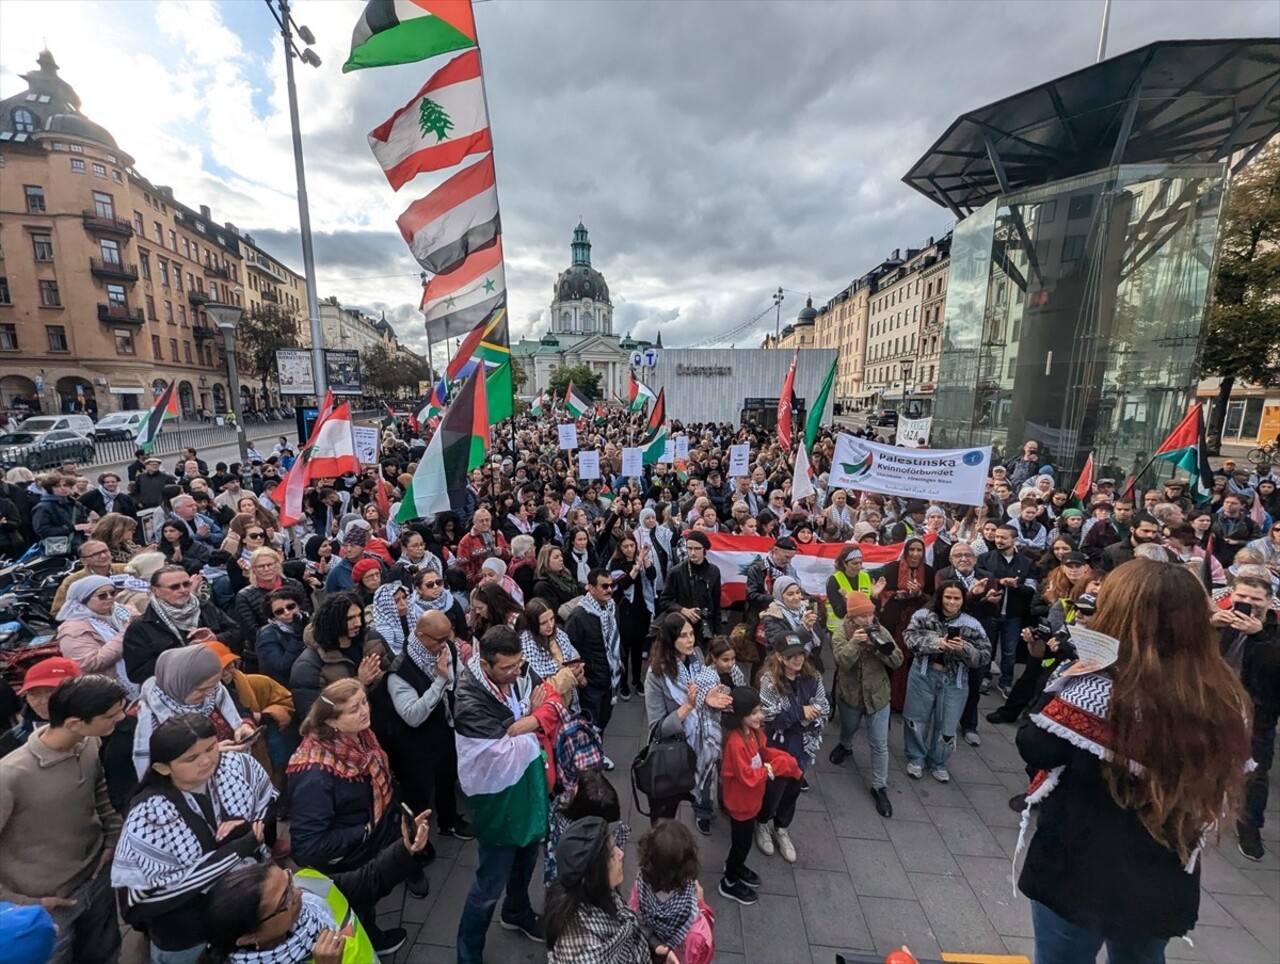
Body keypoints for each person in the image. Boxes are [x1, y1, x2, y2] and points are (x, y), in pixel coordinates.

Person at [1016, 559, 1253, 963]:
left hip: (1078, 868)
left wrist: (1071, 673)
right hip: (1163, 870)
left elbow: (1036, 746)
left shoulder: (1095, 687)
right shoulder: (1223, 695)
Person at [113, 713, 276, 964]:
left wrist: (247, 829)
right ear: (162, 767)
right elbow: (143, 900)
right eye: (191, 758)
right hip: (189, 936)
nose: (207, 760)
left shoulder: (240, 767)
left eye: (211, 747)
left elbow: (268, 808)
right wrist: (234, 851)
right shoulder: (149, 814)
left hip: (246, 914)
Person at [285, 679, 429, 955]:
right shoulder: (314, 774)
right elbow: (307, 847)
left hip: (371, 837)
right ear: (333, 722)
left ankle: (370, 932)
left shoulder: (359, 736)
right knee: (356, 904)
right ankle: (368, 942)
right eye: (354, 708)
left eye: (364, 701)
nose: (365, 711)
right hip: (348, 856)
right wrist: (363, 831)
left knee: (368, 900)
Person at [0, 676, 128, 964]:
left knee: (105, 953)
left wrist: (111, 839)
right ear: (74, 723)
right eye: (110, 716)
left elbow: (101, 794)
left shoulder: (89, 743)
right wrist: (23, 903)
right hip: (44, 905)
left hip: (96, 880)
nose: (120, 719)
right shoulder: (10, 775)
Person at [454, 626, 552, 963]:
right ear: (485, 665)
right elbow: (502, 747)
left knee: (526, 858)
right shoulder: (469, 700)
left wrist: (527, 717)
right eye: (507, 668)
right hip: (496, 800)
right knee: (487, 886)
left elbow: (522, 717)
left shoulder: (509, 673)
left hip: (521, 790)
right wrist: (534, 718)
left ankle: (516, 910)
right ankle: (467, 954)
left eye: (518, 664)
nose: (516, 672)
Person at [198, 823, 433, 964]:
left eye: (288, 878)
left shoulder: (308, 885)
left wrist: (405, 848)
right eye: (285, 900)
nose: (298, 892)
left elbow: (366, 880)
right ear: (249, 937)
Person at [369, 610, 474, 841]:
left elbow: (460, 681)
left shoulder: (449, 649)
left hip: (445, 731)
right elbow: (412, 715)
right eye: (439, 639)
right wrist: (439, 680)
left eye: (449, 637)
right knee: (417, 793)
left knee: (447, 778)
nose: (445, 644)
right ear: (421, 636)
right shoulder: (400, 672)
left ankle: (448, 822)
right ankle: (415, 839)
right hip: (414, 744)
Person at [1209, 575, 1280, 861]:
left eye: (1255, 599)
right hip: (1214, 705)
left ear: (1269, 602)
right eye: (1242, 597)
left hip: (1257, 712)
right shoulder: (1221, 621)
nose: (1247, 603)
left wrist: (1258, 635)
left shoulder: (1273, 629)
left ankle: (1250, 828)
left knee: (1255, 772)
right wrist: (1209, 626)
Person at [545, 816, 678, 964]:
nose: (621, 854)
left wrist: (653, 945)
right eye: (611, 855)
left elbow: (625, 921)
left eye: (616, 845)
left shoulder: (595, 893)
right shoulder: (585, 954)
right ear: (593, 873)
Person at [643, 612, 732, 825]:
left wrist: (708, 699)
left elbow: (705, 689)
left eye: (691, 633)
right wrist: (689, 706)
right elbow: (658, 728)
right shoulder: (656, 675)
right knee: (665, 815)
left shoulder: (697, 657)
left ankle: (702, 811)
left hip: (700, 741)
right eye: (683, 636)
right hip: (673, 752)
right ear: (670, 640)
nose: (690, 640)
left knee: (704, 776)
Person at [718, 686, 801, 907]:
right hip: (741, 803)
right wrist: (773, 768)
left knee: (742, 843)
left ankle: (734, 867)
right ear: (740, 715)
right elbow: (747, 777)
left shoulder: (752, 733)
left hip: (751, 800)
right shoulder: (735, 742)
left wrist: (776, 761)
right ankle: (729, 881)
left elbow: (760, 754)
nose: (760, 716)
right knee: (741, 843)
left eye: (759, 711)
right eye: (754, 713)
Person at [901, 582, 991, 783]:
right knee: (916, 719)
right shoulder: (922, 615)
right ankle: (916, 758)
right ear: (940, 597)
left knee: (948, 725)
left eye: (957, 598)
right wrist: (936, 643)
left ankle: (939, 762)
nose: (952, 602)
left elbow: (985, 656)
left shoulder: (973, 624)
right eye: (948, 597)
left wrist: (964, 648)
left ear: (963, 600)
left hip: (955, 680)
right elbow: (908, 638)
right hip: (923, 674)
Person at [828, 590, 902, 817]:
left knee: (879, 744)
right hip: (850, 696)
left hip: (878, 697)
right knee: (849, 727)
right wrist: (855, 643)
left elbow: (897, 660)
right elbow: (842, 662)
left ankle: (879, 787)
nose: (869, 620)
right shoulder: (841, 634)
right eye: (863, 616)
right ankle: (845, 746)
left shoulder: (882, 631)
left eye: (870, 615)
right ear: (851, 618)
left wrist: (877, 648)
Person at [133, 645, 257, 776]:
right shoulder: (145, 718)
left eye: (213, 686)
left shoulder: (216, 691)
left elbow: (241, 711)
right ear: (180, 684)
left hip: (233, 775)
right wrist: (209, 753)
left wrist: (244, 726)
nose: (209, 694)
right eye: (201, 690)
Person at [757, 645, 829, 859]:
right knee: (773, 788)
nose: (798, 659)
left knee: (793, 789)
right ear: (779, 656)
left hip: (803, 745)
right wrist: (801, 712)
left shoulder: (813, 677)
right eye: (791, 655)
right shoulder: (769, 681)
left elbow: (822, 707)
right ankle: (762, 824)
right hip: (778, 747)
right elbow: (769, 717)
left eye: (800, 654)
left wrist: (793, 717)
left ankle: (781, 827)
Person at [123, 565, 243, 683]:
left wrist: (216, 638)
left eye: (186, 584)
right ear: (155, 591)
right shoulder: (141, 627)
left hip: (220, 679)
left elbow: (237, 632)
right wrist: (183, 653)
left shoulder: (205, 607)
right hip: (178, 690)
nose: (183, 590)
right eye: (175, 587)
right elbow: (137, 674)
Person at [288, 593, 387, 721]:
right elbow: (314, 717)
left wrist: (382, 676)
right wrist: (359, 682)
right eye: (349, 618)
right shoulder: (308, 665)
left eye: (359, 616)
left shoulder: (372, 639)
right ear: (331, 621)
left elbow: (396, 671)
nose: (357, 623)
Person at [628, 820, 716, 964]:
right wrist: (701, 905)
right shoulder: (691, 916)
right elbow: (703, 951)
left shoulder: (641, 885)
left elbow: (632, 913)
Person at [565, 568, 623, 741]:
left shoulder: (611, 607)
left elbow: (617, 636)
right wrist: (581, 677)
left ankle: (599, 753)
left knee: (604, 721)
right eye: (604, 586)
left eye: (611, 585)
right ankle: (590, 759)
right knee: (590, 724)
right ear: (591, 588)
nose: (609, 590)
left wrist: (620, 659)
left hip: (611, 677)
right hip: (592, 681)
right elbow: (569, 650)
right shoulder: (579, 616)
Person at [979, 524, 1037, 698]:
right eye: (997, 537)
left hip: (1013, 614)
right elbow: (980, 582)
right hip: (990, 612)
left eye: (1003, 537)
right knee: (987, 647)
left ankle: (1006, 682)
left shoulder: (1026, 563)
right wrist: (999, 582)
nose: (999, 540)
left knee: (1009, 651)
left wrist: (1016, 586)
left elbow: (1032, 589)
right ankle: (985, 677)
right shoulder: (985, 558)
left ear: (1014, 540)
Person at [879, 535, 934, 711]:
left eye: (919, 550)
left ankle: (906, 700)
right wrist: (900, 593)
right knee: (891, 656)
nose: (915, 554)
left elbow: (933, 598)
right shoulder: (892, 568)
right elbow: (883, 593)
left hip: (917, 624)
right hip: (894, 621)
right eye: (912, 549)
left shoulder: (930, 571)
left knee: (912, 660)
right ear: (906, 551)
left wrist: (918, 593)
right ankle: (886, 697)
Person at [608, 532, 655, 700]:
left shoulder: (640, 558)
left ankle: (637, 680)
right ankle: (624, 683)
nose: (629, 549)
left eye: (632, 546)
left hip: (642, 609)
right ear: (620, 548)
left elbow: (652, 575)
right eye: (625, 546)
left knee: (637, 648)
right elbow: (624, 583)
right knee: (624, 649)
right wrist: (637, 565)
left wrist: (645, 560)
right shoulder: (615, 564)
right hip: (625, 611)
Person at [656, 530, 722, 646]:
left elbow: (716, 604)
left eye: (697, 549)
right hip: (682, 627)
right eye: (689, 548)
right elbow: (664, 601)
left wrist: (718, 632)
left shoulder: (714, 571)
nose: (692, 553)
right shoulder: (676, 572)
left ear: (704, 550)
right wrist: (683, 610)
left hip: (705, 627)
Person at [521, 598, 585, 712]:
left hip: (569, 701)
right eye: (544, 622)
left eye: (552, 619)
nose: (550, 625)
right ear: (533, 624)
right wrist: (569, 675)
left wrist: (578, 672)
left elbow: (574, 656)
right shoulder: (527, 646)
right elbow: (540, 689)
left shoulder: (559, 634)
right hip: (550, 708)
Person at [255, 589, 311, 687]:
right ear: (273, 616)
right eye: (279, 611)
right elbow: (281, 667)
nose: (287, 612)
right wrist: (297, 638)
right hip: (288, 687)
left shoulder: (312, 621)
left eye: (291, 607)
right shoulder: (266, 635)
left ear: (299, 605)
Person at [760, 576, 823, 662]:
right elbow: (782, 645)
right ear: (780, 596)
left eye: (798, 592)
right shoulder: (772, 618)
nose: (796, 597)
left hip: (808, 664)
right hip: (783, 667)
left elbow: (818, 639)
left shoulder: (806, 610)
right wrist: (804, 628)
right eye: (790, 594)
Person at [457, 508, 511, 587]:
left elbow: (510, 553)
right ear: (474, 522)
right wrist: (474, 580)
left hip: (500, 580)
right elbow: (462, 565)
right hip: (480, 583)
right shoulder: (466, 540)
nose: (485, 523)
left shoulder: (497, 534)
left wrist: (502, 552)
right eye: (481, 521)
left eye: (487, 520)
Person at [533, 544, 580, 613]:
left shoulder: (566, 576)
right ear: (546, 561)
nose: (561, 559)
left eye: (561, 556)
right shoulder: (542, 586)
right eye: (556, 557)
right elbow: (555, 611)